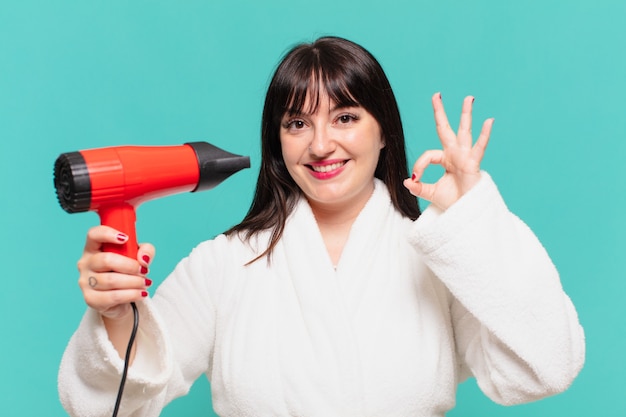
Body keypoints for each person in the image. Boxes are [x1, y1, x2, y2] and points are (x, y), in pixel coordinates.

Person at [58, 36, 585, 417]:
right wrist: (115, 316)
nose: (320, 145)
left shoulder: (441, 255)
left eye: (346, 118)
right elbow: (110, 404)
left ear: (385, 134)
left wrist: (472, 224)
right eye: (296, 123)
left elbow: (543, 367)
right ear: (277, 143)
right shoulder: (224, 264)